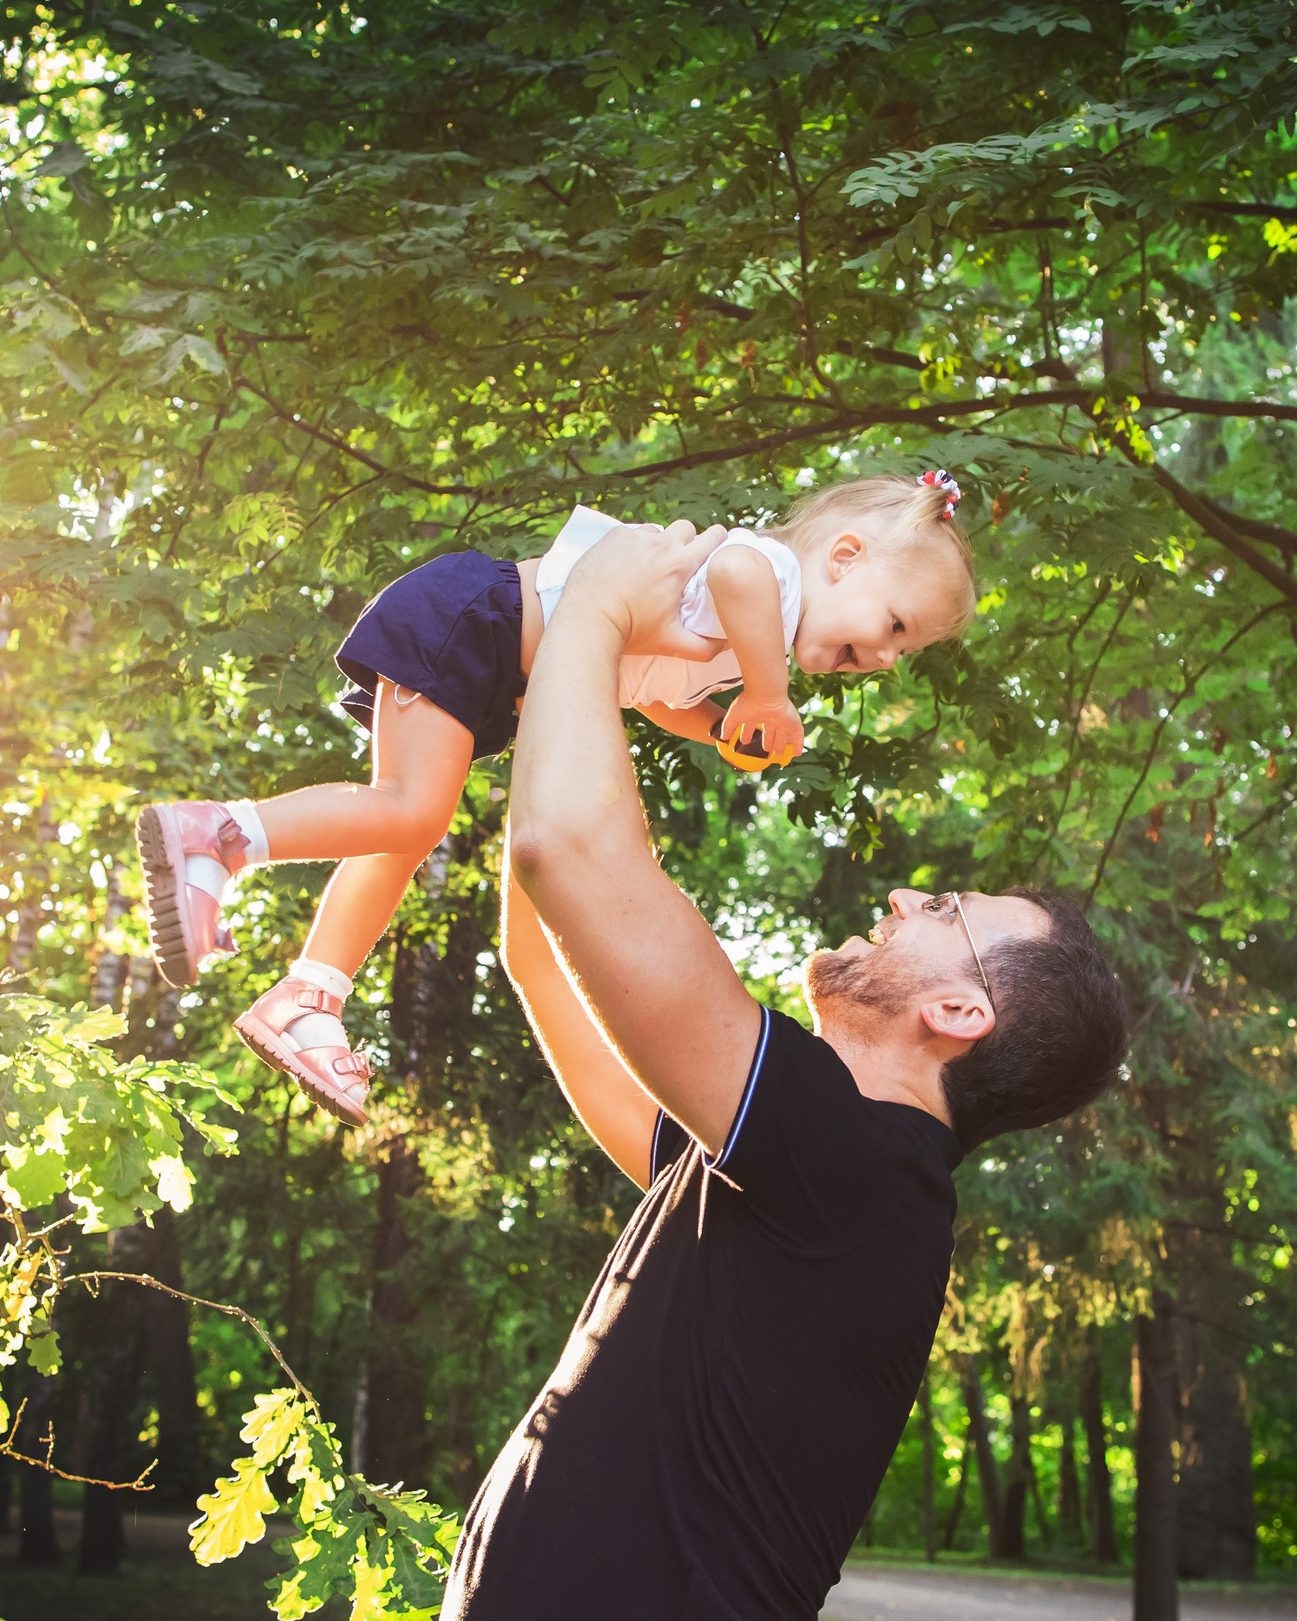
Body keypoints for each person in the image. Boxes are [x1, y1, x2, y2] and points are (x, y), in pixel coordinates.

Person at [445, 519, 1128, 1620]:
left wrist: (599, 605)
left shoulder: (862, 1169)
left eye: (945, 912)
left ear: (959, 1011)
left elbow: (569, 852)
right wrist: (579, 686)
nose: (909, 897)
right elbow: (546, 950)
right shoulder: (768, 1172)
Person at [136, 473, 979, 1125]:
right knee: (409, 810)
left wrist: (721, 721)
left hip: (488, 646)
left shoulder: (750, 636)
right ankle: (222, 836)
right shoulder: (772, 579)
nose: (886, 659)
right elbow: (737, 570)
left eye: (906, 653)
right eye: (897, 627)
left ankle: (310, 995)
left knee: (399, 827)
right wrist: (765, 691)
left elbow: (649, 690)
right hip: (483, 620)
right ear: (843, 558)